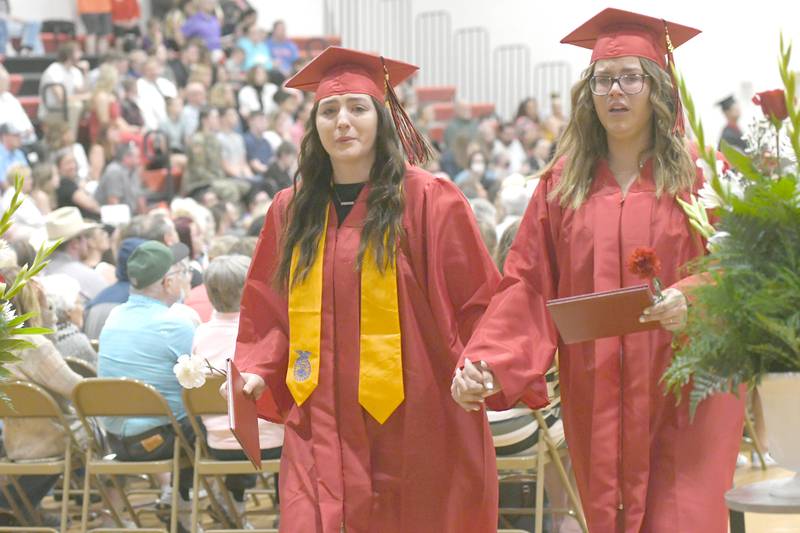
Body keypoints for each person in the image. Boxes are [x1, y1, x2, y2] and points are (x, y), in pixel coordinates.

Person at [452, 8, 746, 533]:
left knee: (683, 518)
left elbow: (738, 267)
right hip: (598, 390)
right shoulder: (563, 186)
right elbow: (528, 284)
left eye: (630, 77)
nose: (615, 91)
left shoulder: (700, 175)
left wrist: (693, 296)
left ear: (657, 86)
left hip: (688, 389)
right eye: (603, 80)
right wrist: (489, 359)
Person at [230, 46, 500, 533]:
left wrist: (481, 364)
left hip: (416, 415)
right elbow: (268, 311)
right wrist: (257, 369)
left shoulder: (428, 201)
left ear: (382, 117)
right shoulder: (291, 211)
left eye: (357, 108)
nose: (342, 122)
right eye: (329, 110)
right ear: (314, 125)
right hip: (320, 421)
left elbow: (479, 300)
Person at [97, 240, 195, 532]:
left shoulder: (114, 317)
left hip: (115, 441)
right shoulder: (176, 324)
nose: (182, 277)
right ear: (167, 282)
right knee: (207, 420)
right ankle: (187, 508)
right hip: (161, 442)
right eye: (179, 272)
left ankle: (179, 500)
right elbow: (201, 380)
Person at [192, 254, 284, 525]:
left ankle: (234, 505)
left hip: (219, 444)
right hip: (273, 446)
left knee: (230, 420)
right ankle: (284, 511)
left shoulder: (200, 335)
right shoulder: (266, 335)